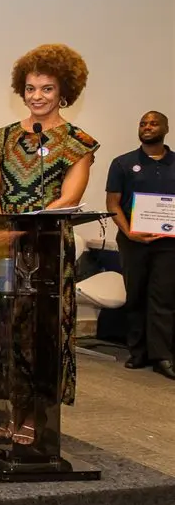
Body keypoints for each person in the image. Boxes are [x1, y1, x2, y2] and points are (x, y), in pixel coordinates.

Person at [0, 43, 98, 445]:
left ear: (63, 91)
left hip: (50, 247)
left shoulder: (77, 142)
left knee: (41, 330)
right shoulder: (2, 139)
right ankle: (13, 409)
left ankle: (37, 415)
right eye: (30, 88)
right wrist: (2, 229)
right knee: (6, 328)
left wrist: (33, 222)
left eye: (46, 89)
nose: (37, 96)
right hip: (5, 245)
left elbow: (70, 196)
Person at [106, 111, 175, 380]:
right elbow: (113, 203)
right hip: (133, 241)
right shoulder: (123, 163)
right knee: (135, 294)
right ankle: (138, 352)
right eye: (143, 123)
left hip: (169, 243)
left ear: (166, 128)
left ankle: (163, 356)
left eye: (153, 123)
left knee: (164, 298)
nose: (147, 127)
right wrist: (130, 232)